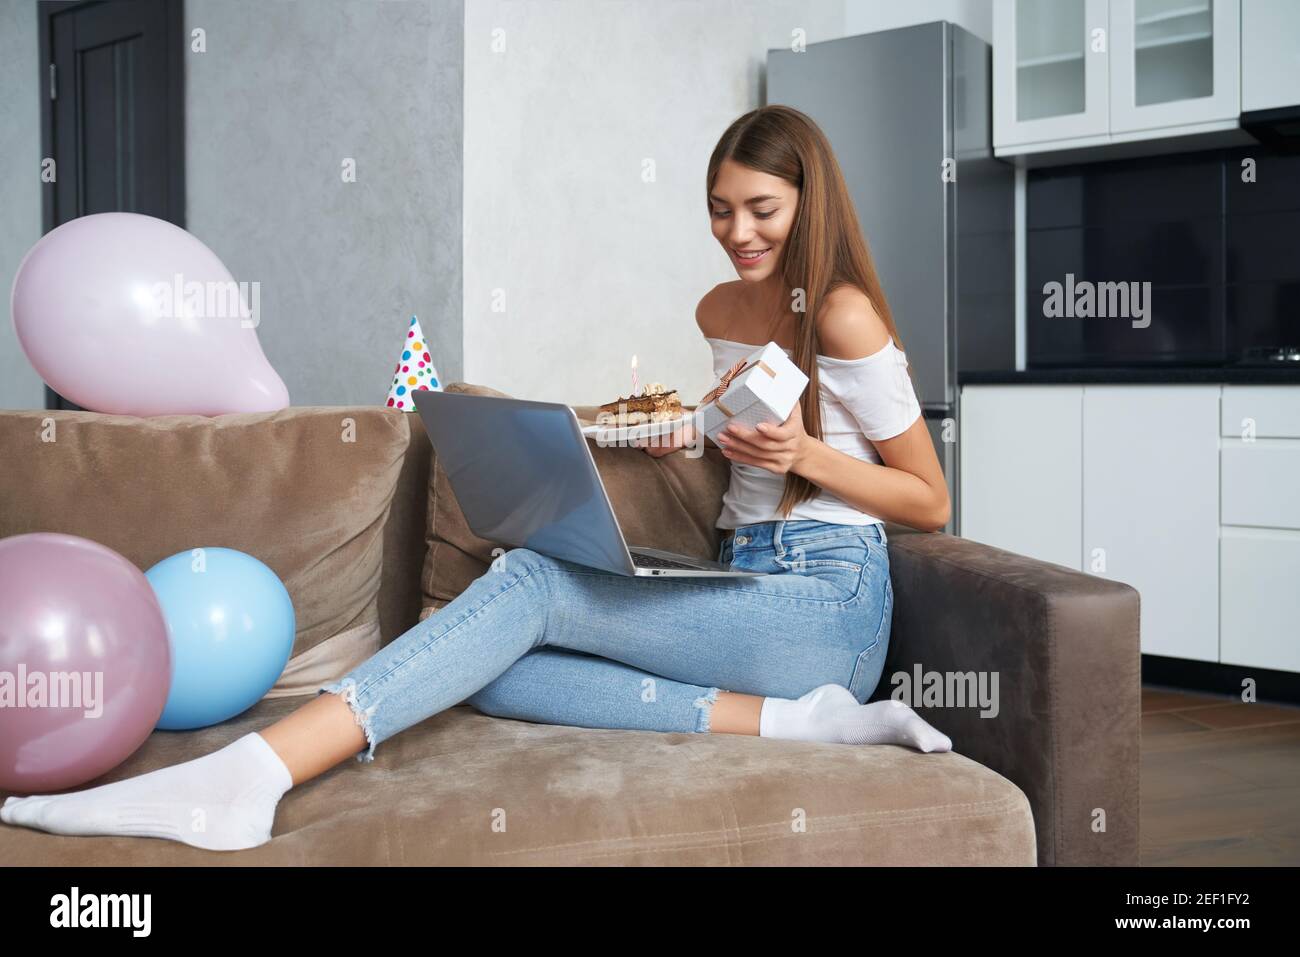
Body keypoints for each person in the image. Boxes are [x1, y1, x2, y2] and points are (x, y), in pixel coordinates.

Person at [1, 105, 952, 852]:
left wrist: (806, 460)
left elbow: (929, 499)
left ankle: (250, 776)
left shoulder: (845, 313)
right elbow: (748, 428)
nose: (736, 231)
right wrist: (691, 434)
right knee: (495, 673)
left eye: (761, 210)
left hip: (829, 597)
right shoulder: (721, 304)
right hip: (744, 578)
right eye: (719, 207)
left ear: (807, 202)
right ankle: (794, 723)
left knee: (529, 582)